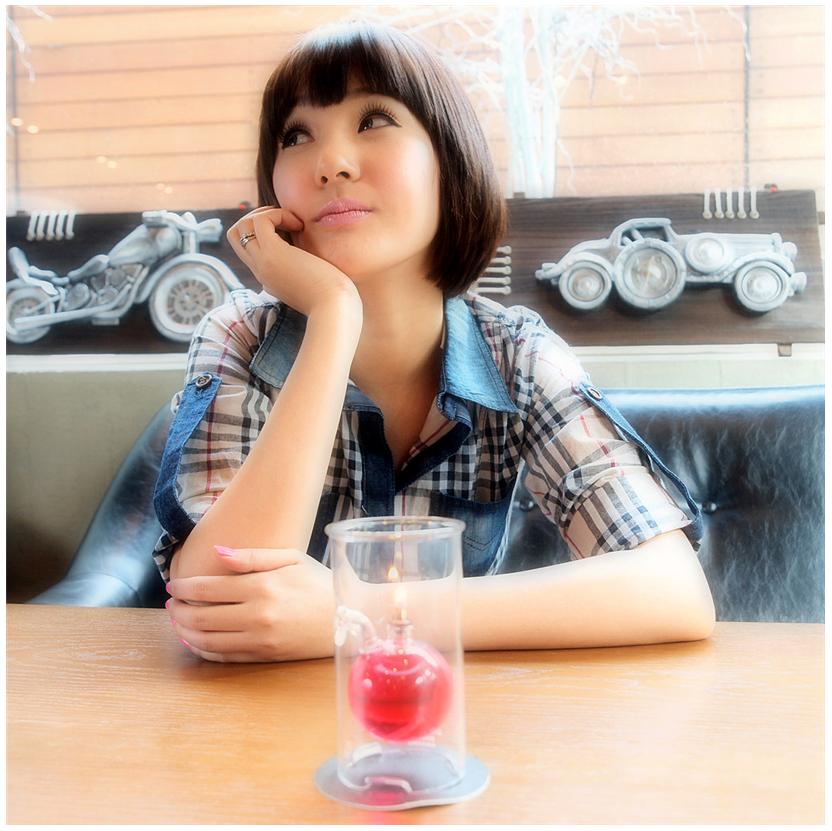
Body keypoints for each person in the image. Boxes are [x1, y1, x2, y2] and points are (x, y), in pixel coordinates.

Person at [152, 19, 715, 664]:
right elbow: (213, 595)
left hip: (438, 711)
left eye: (373, 120)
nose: (331, 163)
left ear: (448, 161)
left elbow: (673, 591)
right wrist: (334, 313)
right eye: (296, 135)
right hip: (247, 720)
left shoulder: (515, 355)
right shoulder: (242, 335)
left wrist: (358, 613)